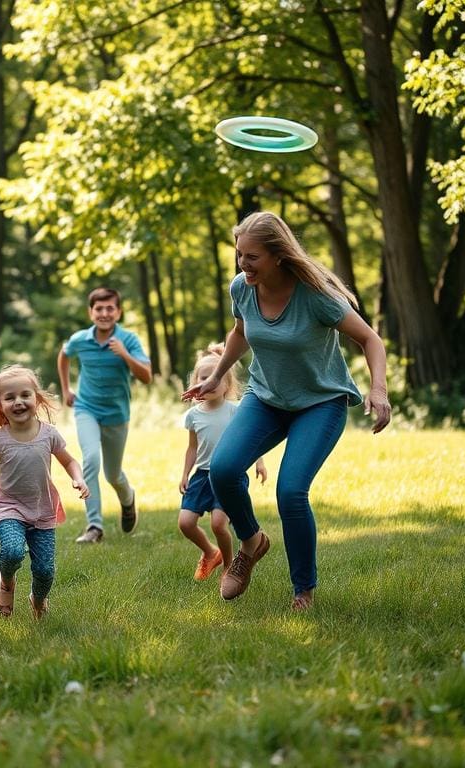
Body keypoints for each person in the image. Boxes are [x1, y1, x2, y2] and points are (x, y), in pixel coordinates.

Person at [182, 211, 390, 611]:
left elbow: (370, 339)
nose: (244, 264)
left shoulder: (315, 295)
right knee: (223, 470)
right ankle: (252, 542)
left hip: (320, 402)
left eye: (252, 256)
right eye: (240, 255)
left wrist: (378, 390)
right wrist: (217, 376)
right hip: (266, 398)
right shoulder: (243, 288)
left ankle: (303, 590)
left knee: (291, 492)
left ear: (278, 255)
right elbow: (241, 333)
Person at [0, 365, 88, 619]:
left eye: (25, 395)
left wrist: (78, 479)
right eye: (9, 397)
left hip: (42, 509)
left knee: (45, 571)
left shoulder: (49, 434)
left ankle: (38, 597)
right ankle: (6, 582)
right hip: (8, 507)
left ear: (37, 398)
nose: (18, 402)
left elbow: (69, 461)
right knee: (12, 551)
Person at [58, 287, 152, 543]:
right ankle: (94, 527)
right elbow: (64, 356)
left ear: (118, 312)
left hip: (117, 414)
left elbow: (146, 376)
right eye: (98, 308)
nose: (104, 313)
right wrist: (66, 389)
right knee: (90, 460)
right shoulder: (80, 339)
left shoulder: (129, 340)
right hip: (86, 408)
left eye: (110, 308)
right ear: (91, 312)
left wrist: (124, 354)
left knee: (113, 474)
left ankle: (128, 497)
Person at [179, 344, 267, 582]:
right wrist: (185, 474)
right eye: (203, 377)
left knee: (219, 524)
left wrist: (259, 462)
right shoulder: (193, 415)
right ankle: (210, 552)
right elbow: (192, 447)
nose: (209, 381)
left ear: (227, 384)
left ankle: (229, 567)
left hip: (229, 476)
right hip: (201, 475)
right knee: (185, 523)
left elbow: (249, 439)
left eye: (215, 377)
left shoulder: (235, 411)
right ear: (195, 383)